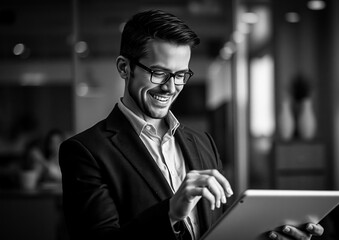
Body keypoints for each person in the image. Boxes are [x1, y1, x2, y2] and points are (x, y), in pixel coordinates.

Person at [59, 9, 324, 240]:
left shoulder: (203, 142)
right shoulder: (85, 151)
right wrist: (171, 212)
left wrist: (273, 234)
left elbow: (222, 230)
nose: (171, 87)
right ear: (124, 68)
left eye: (181, 75)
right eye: (159, 73)